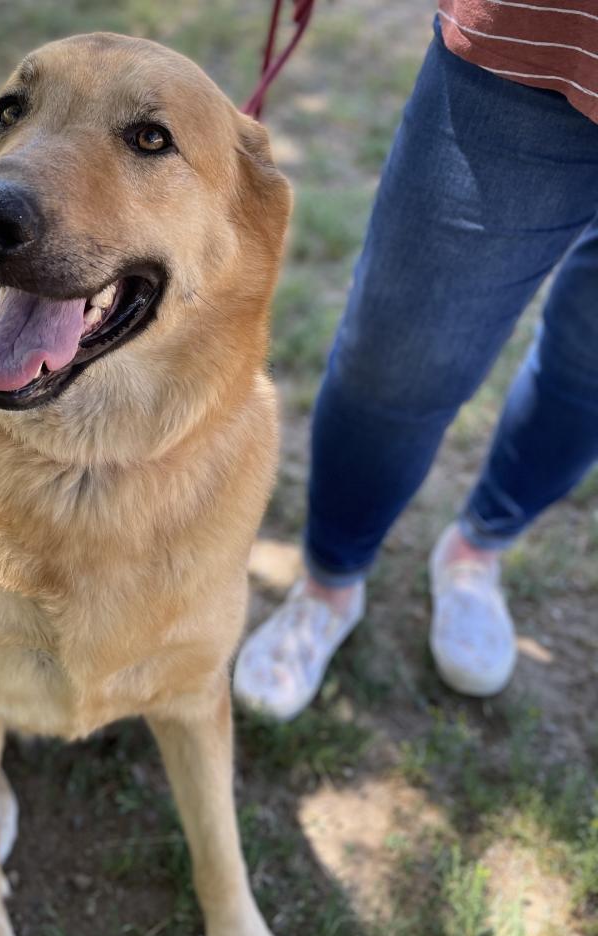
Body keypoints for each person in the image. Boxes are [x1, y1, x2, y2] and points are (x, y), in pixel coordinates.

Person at [233, 0, 598, 721]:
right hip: (543, 42)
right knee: (399, 359)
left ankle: (477, 551)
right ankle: (331, 581)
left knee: (591, 368)